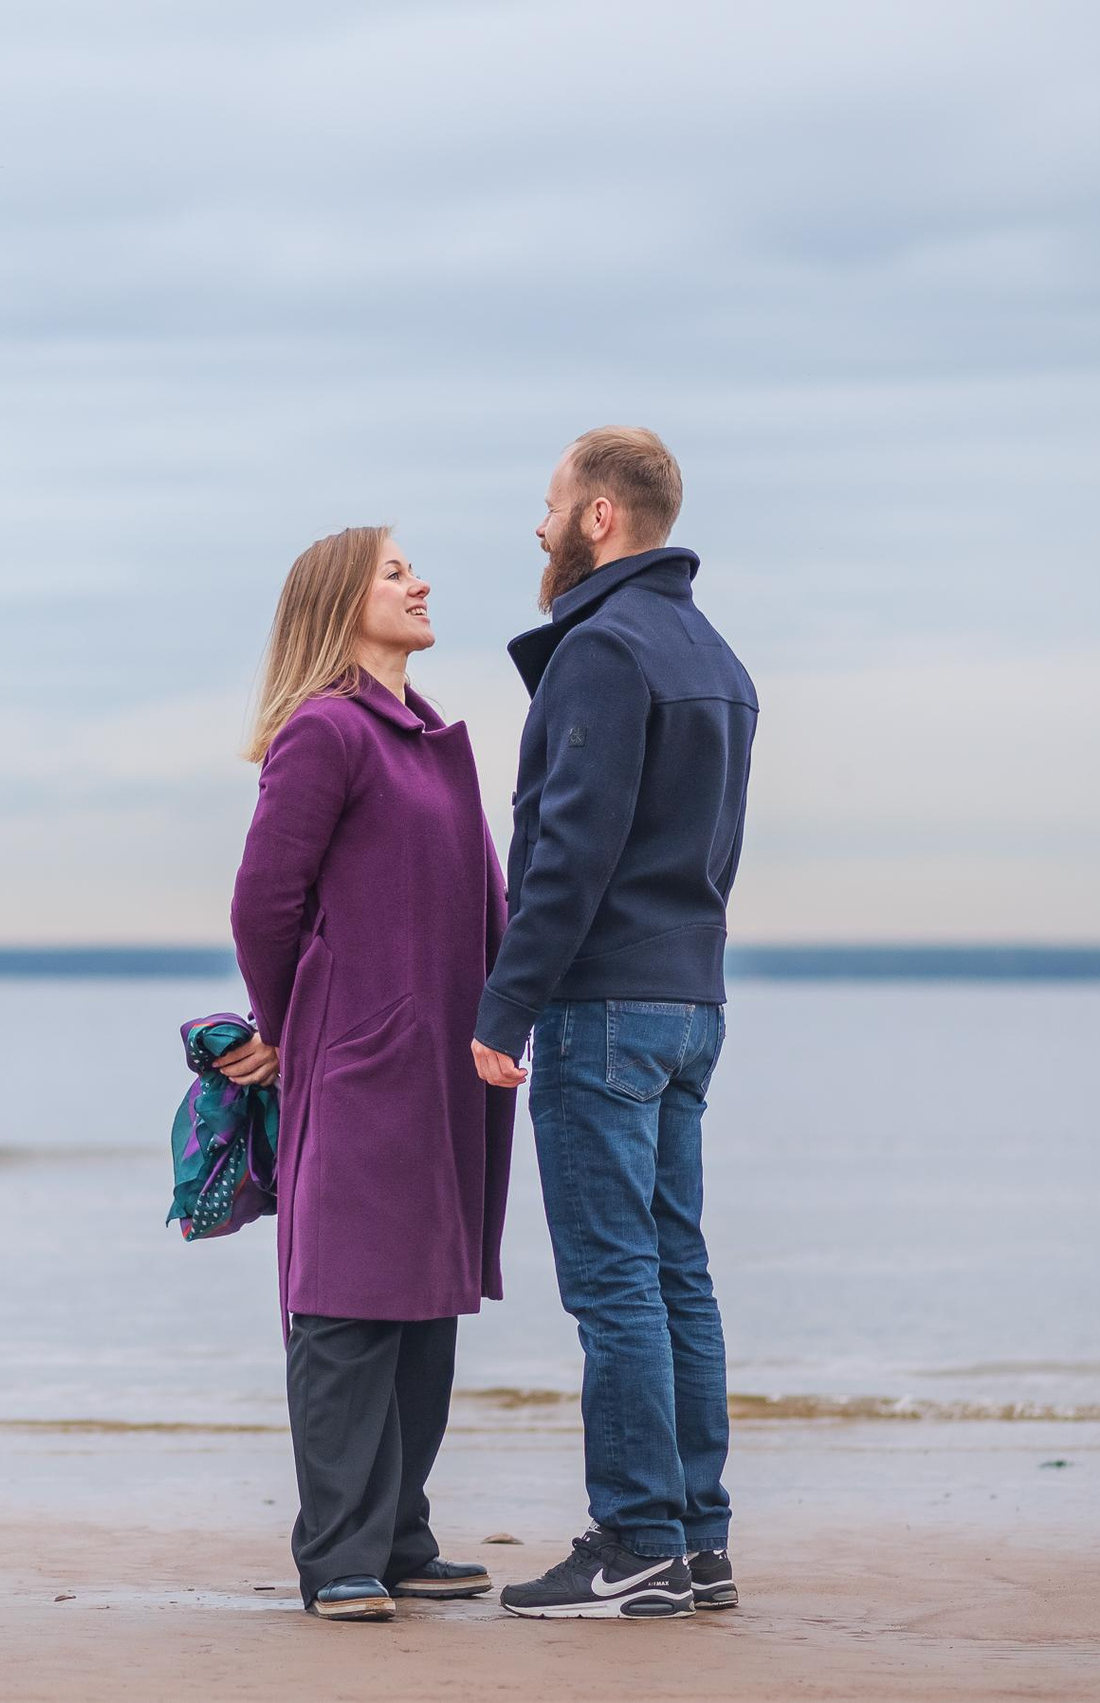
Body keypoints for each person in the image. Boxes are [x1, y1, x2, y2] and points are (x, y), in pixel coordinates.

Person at [471, 427, 757, 1620]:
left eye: (548, 506)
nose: (534, 528)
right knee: (674, 1269)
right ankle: (696, 1538)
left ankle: (636, 1535)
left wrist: (505, 1000)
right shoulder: (716, 655)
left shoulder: (605, 646)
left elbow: (569, 845)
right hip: (690, 999)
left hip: (600, 1005)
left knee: (614, 1284)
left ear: (599, 518)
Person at [219, 526, 517, 1622]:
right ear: (342, 600)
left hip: (447, 1059)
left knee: (424, 1297)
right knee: (346, 1300)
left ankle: (398, 1533)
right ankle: (336, 1552)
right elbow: (262, 902)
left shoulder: (431, 735)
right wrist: (292, 1028)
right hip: (355, 1055)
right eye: (395, 570)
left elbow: (482, 900)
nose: (420, 581)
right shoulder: (325, 730)